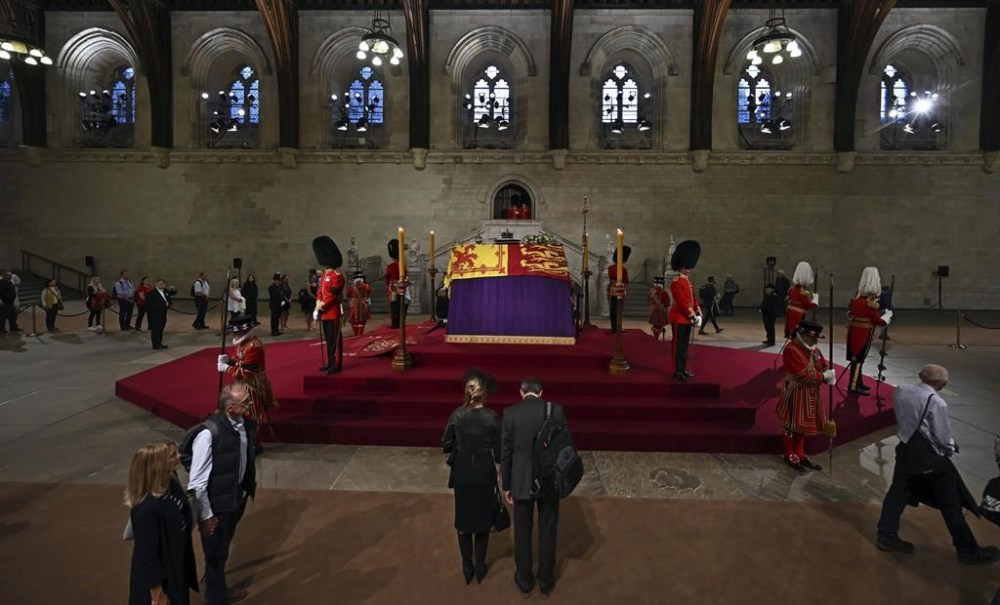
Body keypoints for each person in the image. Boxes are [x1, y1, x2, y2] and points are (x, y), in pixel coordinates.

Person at [875, 365, 1000, 565]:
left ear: (920, 376)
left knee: (897, 493)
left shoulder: (902, 390)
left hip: (906, 450)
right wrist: (951, 446)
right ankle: (967, 549)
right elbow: (941, 436)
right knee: (951, 502)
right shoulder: (937, 402)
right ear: (943, 384)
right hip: (929, 458)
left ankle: (886, 536)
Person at [188, 383, 257, 605]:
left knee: (223, 544)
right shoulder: (208, 434)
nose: (249, 405)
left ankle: (214, 578)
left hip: (235, 495)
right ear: (229, 408)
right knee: (216, 555)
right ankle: (216, 597)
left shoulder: (245, 424)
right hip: (216, 502)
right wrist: (206, 515)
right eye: (245, 402)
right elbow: (197, 482)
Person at [502, 378, 568, 599]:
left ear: (521, 392)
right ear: (541, 392)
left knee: (522, 532)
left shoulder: (510, 414)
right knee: (548, 529)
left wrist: (507, 484)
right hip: (549, 479)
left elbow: (507, 453)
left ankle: (524, 580)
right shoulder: (556, 411)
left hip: (522, 479)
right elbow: (564, 446)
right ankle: (546, 581)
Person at [442, 369, 502, 585]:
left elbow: (445, 443)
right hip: (484, 471)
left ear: (467, 393)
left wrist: (459, 445)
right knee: (483, 520)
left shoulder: (457, 415)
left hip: (463, 471)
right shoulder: (492, 417)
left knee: (463, 521)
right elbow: (499, 450)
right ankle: (480, 565)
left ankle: (467, 566)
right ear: (483, 393)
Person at [126, 440, 198, 605]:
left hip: (177, 566)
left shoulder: (170, 483)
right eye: (173, 455)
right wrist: (157, 594)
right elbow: (147, 555)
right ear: (156, 466)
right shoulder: (145, 508)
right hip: (163, 579)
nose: (179, 456)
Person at [776, 319, 835, 472]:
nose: (815, 341)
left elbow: (820, 363)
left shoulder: (812, 348)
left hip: (810, 392)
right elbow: (803, 375)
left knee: (803, 426)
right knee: (791, 424)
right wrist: (823, 377)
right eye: (812, 337)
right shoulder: (791, 350)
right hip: (796, 391)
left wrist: (826, 370)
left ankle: (800, 454)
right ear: (802, 335)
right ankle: (790, 454)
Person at [218, 315, 277, 433]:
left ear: (244, 331)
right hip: (243, 384)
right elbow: (239, 361)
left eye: (237, 332)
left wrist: (226, 368)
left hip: (252, 385)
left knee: (250, 412)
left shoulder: (254, 347)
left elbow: (246, 372)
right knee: (242, 412)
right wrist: (229, 361)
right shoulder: (243, 343)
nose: (234, 335)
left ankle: (252, 439)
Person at [846, 267, 893, 395]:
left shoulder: (855, 301)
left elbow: (850, 314)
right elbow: (879, 322)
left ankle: (858, 382)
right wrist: (887, 316)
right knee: (859, 359)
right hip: (864, 333)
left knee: (856, 359)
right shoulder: (869, 305)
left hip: (854, 332)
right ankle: (854, 385)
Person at [668, 240, 702, 382]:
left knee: (684, 347)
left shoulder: (688, 281)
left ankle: (683, 369)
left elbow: (692, 298)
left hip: (687, 318)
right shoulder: (676, 282)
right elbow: (681, 302)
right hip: (679, 318)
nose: (688, 269)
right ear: (680, 266)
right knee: (678, 347)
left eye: (689, 267)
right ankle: (678, 370)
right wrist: (692, 315)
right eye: (686, 267)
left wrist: (698, 313)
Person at [313, 236, 345, 374]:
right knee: (328, 340)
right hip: (325, 313)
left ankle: (336, 364)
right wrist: (318, 305)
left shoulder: (337, 275)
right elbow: (320, 292)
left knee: (335, 341)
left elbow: (332, 295)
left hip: (332, 312)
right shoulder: (325, 275)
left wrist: (322, 306)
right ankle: (330, 362)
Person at [784, 261, 818, 340]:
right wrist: (815, 301)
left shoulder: (794, 289)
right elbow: (808, 304)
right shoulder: (801, 291)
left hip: (793, 314)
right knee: (797, 336)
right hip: (798, 316)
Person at [607, 245, 631, 332]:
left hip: (612, 288)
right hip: (620, 288)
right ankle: (618, 327)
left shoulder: (610, 268)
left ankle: (614, 327)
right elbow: (626, 281)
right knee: (619, 309)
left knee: (613, 309)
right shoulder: (623, 269)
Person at [146, 278, 172, 350]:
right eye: (160, 284)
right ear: (156, 284)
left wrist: (168, 304)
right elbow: (148, 304)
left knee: (160, 329)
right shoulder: (152, 293)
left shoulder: (165, 291)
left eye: (163, 284)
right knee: (155, 330)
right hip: (155, 314)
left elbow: (168, 297)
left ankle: (159, 343)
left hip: (163, 313)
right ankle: (155, 344)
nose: (162, 285)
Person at [385, 239, 405, 329]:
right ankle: (399, 322)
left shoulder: (391, 266)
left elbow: (387, 278)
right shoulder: (403, 264)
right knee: (400, 305)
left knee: (394, 306)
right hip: (401, 286)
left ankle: (395, 323)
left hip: (393, 288)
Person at [346, 271, 372, 337]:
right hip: (363, 303)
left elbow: (348, 294)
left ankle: (356, 333)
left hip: (354, 303)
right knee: (363, 318)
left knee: (353, 319)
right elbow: (369, 294)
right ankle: (360, 333)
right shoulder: (367, 286)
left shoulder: (351, 287)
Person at [648, 276, 669, 340]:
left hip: (653, 311)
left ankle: (655, 337)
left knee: (655, 325)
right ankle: (656, 337)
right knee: (658, 326)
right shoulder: (663, 292)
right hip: (661, 312)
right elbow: (667, 303)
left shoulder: (651, 291)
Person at [0, 268, 18, 333]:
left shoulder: (10, 282)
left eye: (11, 275)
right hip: (4, 302)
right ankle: (1, 329)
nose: (11, 276)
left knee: (13, 315)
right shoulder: (1, 283)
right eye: (9, 275)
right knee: (2, 317)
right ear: (4, 276)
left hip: (11, 302)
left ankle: (13, 327)